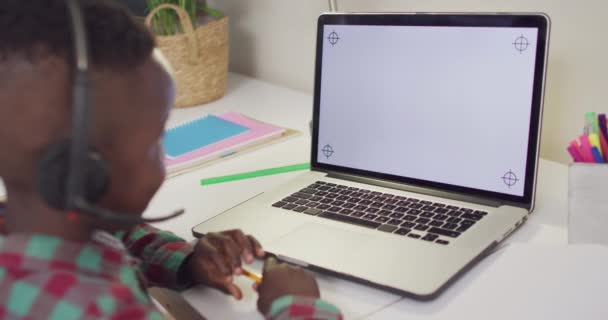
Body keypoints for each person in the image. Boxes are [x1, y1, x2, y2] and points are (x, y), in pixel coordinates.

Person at [0, 1, 342, 319]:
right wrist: (298, 306)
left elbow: (113, 236)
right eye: (156, 140)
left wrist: (188, 261)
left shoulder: (25, 227)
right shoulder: (97, 308)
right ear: (89, 168)